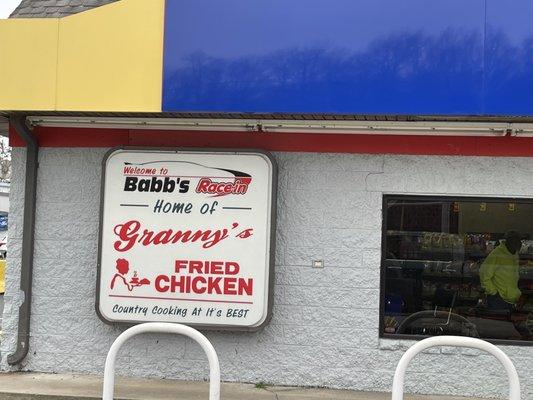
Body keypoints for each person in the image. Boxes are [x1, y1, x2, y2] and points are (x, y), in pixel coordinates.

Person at [479, 231, 523, 311]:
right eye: (516, 240)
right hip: (498, 299)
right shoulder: (497, 254)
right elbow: (483, 273)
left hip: (511, 299)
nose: (519, 243)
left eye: (519, 240)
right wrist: (494, 293)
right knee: (499, 323)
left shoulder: (515, 254)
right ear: (508, 241)